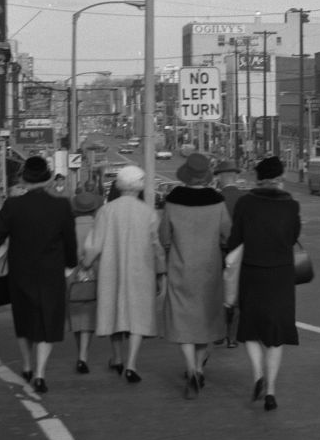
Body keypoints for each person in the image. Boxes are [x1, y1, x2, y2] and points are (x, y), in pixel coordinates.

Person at [0, 156, 78, 394]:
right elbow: (70, 241)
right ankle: (40, 373)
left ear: (24, 179)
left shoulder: (13, 206)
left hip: (21, 272)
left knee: (24, 320)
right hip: (51, 272)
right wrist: (70, 264)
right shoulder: (61, 206)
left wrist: (0, 249)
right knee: (47, 321)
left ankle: (26, 365)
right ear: (47, 180)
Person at [226, 156, 301, 412]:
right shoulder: (291, 205)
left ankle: (258, 374)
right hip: (281, 275)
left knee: (250, 328)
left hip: (252, 272)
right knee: (276, 335)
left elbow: (235, 239)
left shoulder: (246, 203)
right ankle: (271, 391)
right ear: (280, 177)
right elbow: (293, 238)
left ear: (258, 177)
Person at [160, 153, 231, 399]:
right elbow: (227, 236)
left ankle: (190, 368)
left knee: (183, 321)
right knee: (207, 320)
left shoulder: (172, 201)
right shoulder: (217, 201)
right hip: (210, 271)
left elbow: (164, 238)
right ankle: (200, 367)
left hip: (181, 269)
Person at [84, 165, 164, 384]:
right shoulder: (148, 212)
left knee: (114, 311)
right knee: (137, 314)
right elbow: (155, 244)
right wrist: (160, 271)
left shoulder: (106, 211)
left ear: (118, 185)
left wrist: (86, 263)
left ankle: (117, 358)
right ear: (140, 186)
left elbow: (95, 243)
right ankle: (131, 363)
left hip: (111, 269)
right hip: (142, 269)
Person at [67, 184, 104, 373]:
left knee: (76, 316)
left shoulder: (68, 227)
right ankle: (83, 355)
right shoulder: (98, 227)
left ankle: (79, 354)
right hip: (95, 275)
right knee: (89, 316)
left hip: (72, 277)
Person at [213, 158, 244, 346]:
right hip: (240, 252)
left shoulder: (216, 199)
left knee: (219, 292)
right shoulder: (245, 199)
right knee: (237, 293)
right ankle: (233, 336)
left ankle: (219, 332)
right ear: (235, 177)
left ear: (221, 178)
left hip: (219, 251)